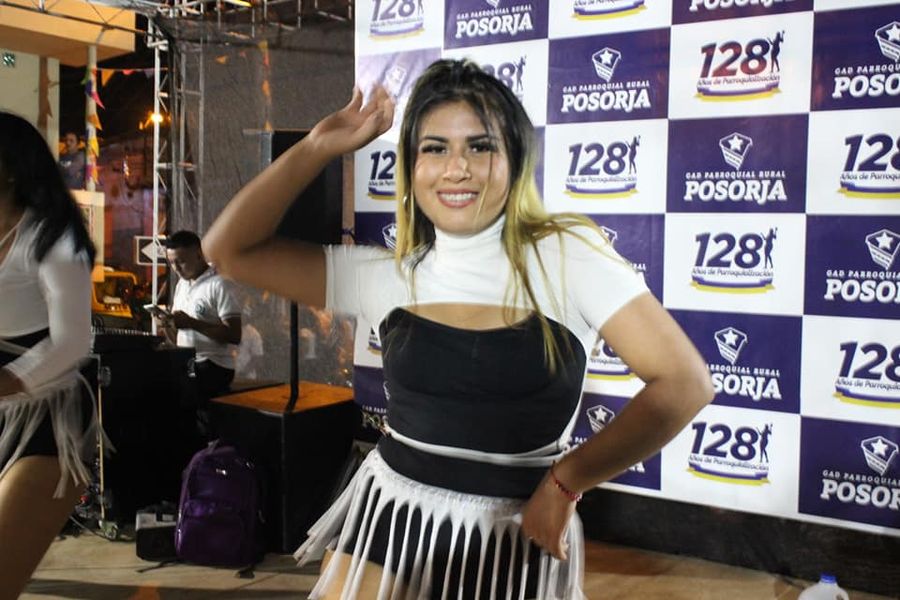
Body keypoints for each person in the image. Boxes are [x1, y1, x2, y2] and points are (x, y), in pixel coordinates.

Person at [203, 59, 714, 599]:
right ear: (411, 165)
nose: (457, 168)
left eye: (480, 146)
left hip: (515, 531)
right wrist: (316, 147)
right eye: (435, 148)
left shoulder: (568, 256)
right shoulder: (388, 274)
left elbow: (684, 384)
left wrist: (566, 483)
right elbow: (227, 250)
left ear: (514, 159)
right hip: (390, 519)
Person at [0, 112, 100, 599]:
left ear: (10, 171)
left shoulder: (51, 239)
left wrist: (8, 382)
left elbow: (73, 341)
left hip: (47, 421)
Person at [152, 230, 241, 439]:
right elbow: (177, 338)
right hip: (188, 361)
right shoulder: (182, 286)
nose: (176, 268)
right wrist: (167, 324)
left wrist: (191, 323)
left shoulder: (219, 284)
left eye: (181, 262)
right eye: (172, 263)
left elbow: (234, 334)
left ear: (199, 255)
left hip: (213, 364)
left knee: (187, 397)